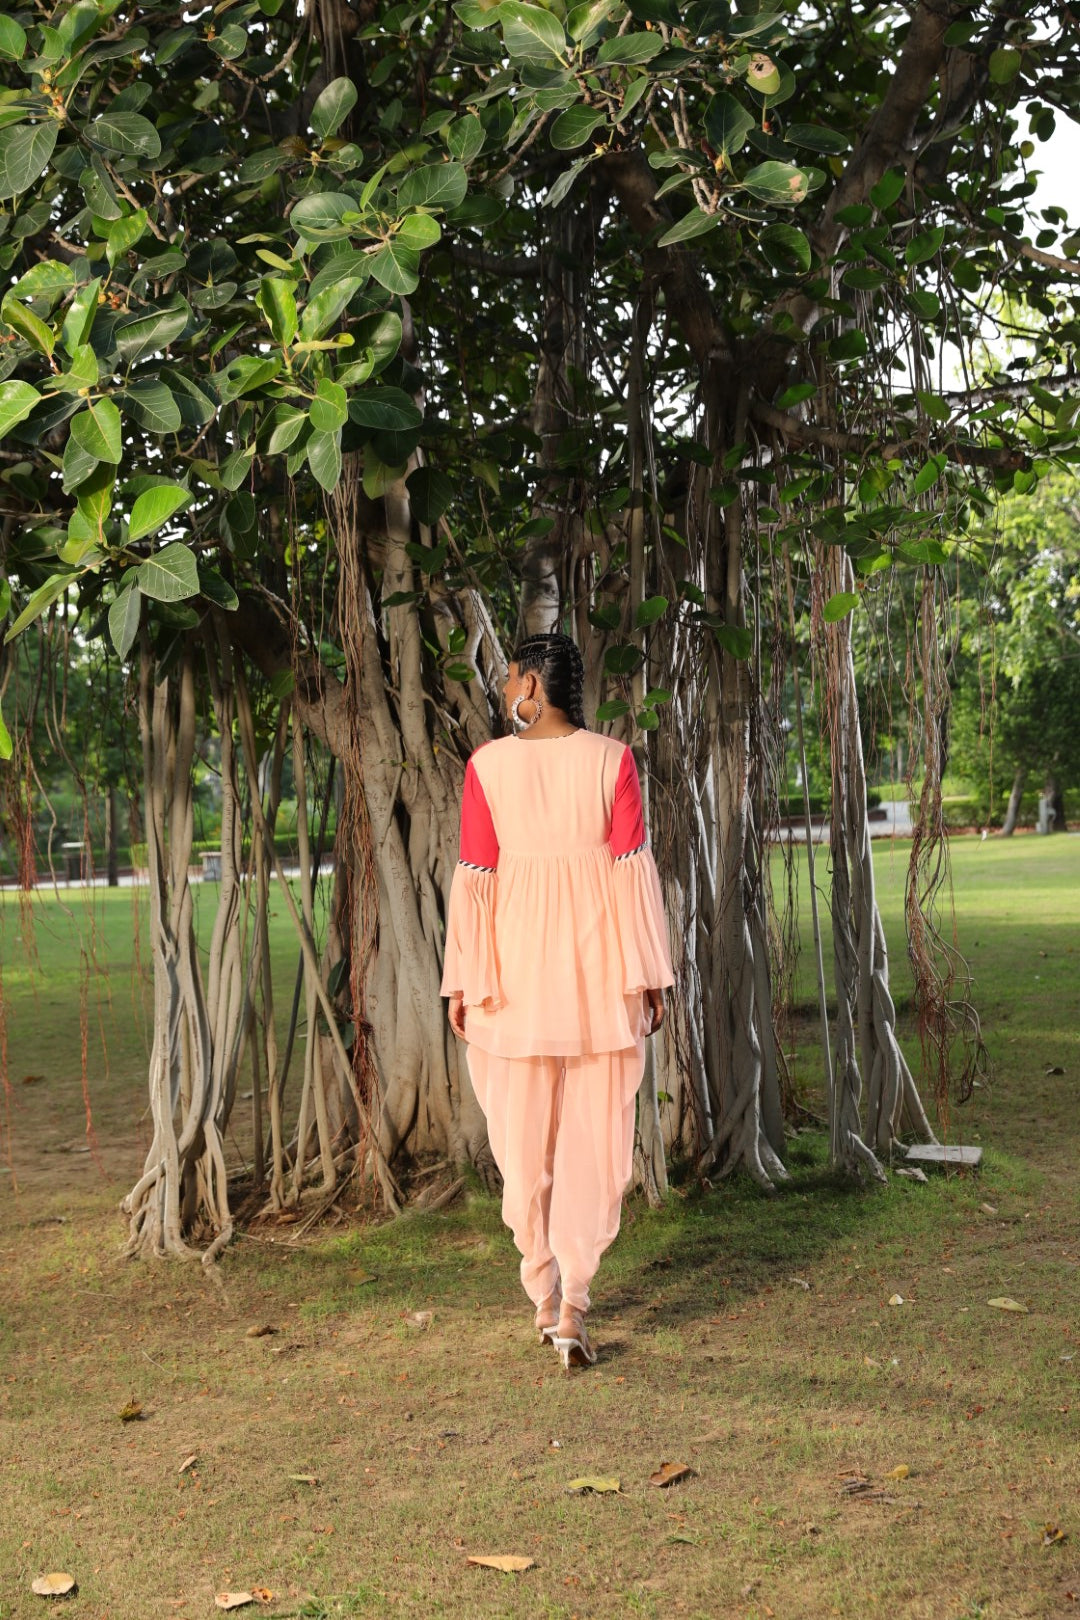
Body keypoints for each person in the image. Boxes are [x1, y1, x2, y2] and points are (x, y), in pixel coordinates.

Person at [439, 631, 675, 1370]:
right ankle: (572, 1299)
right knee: (594, 1141)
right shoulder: (613, 759)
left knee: (522, 1142)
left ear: (534, 686)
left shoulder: (488, 766)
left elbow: (475, 871)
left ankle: (544, 1291)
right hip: (598, 972)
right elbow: (632, 871)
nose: (506, 691)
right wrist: (649, 975)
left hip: (511, 978)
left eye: (511, 678)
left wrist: (462, 978)